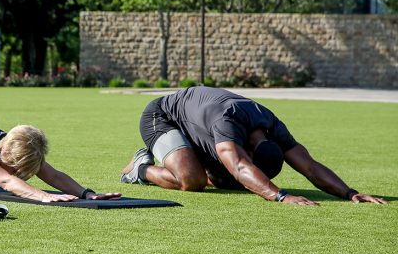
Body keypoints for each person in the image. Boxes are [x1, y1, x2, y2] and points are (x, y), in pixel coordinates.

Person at [121, 86, 387, 206]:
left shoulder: (273, 127)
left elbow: (309, 165)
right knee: (192, 180)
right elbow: (238, 165)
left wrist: (349, 193)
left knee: (235, 181)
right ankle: (140, 169)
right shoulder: (227, 121)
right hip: (164, 117)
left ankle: (196, 163)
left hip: (200, 125)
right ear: (250, 151)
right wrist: (279, 196)